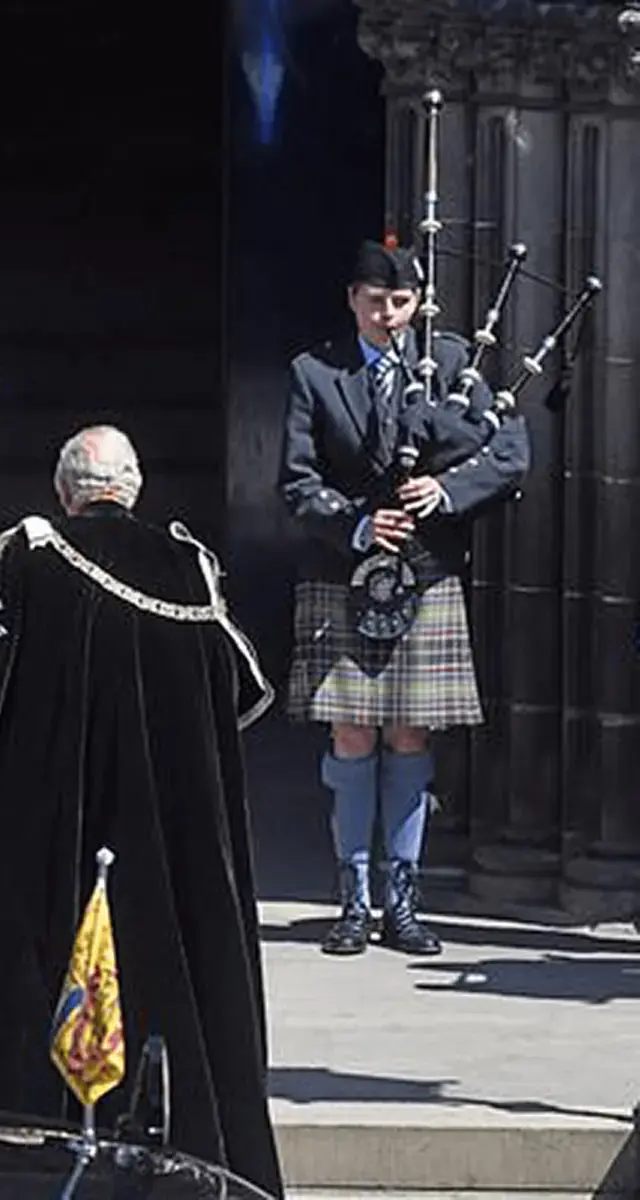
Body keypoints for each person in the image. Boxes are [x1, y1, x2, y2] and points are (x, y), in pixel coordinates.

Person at [0, 426, 284, 1196]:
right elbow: (240, 690)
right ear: (133, 486)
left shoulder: (37, 556)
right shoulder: (193, 569)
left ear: (65, 489)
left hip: (58, 839)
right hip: (170, 857)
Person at [278, 240, 530, 957]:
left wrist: (446, 491)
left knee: (410, 736)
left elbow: (512, 453)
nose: (386, 313)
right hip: (343, 567)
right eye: (372, 299)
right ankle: (353, 899)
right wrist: (356, 523)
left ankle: (404, 901)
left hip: (426, 568)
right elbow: (295, 480)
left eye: (399, 302)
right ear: (351, 299)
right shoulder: (315, 372)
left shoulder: (454, 366)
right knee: (352, 734)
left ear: (417, 303)